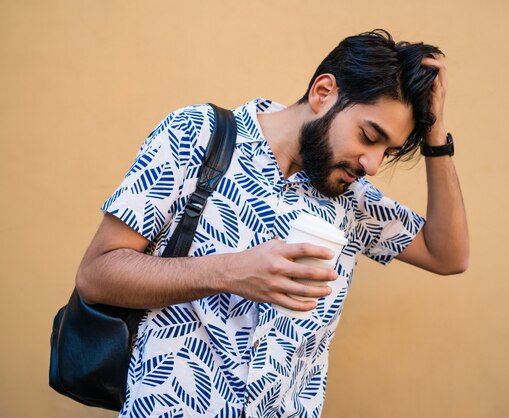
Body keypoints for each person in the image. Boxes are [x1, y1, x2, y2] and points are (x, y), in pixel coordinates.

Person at [76, 29, 469, 417]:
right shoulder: (197, 134)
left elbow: (448, 255)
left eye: (388, 151)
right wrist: (230, 271)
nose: (373, 164)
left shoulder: (351, 198)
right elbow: (96, 274)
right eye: (369, 136)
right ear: (323, 93)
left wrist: (436, 136)